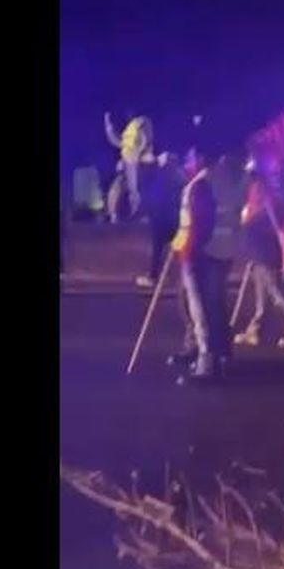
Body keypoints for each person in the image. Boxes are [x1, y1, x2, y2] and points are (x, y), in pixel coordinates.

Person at [169, 149, 233, 382]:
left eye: (189, 158)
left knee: (200, 310)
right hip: (195, 253)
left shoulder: (200, 186)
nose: (187, 163)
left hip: (195, 255)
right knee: (200, 306)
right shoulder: (200, 184)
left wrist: (187, 247)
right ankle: (212, 356)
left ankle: (207, 362)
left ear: (200, 160)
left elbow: (197, 224)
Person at [235, 173, 284, 349]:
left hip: (262, 249)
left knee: (274, 291)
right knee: (261, 294)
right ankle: (254, 330)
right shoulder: (266, 190)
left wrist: (248, 219)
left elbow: (266, 221)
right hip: (259, 248)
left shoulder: (263, 192)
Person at [139, 151, 184, 288]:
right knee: (176, 250)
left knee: (158, 249)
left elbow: (153, 197)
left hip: (162, 219)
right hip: (175, 218)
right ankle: (178, 277)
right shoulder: (179, 176)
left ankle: (154, 277)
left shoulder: (161, 177)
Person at [104, 111, 153, 220]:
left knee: (136, 190)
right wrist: (108, 127)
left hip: (137, 166)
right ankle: (114, 215)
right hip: (129, 167)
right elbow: (117, 142)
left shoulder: (142, 134)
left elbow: (142, 146)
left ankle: (141, 213)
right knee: (117, 190)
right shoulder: (130, 139)